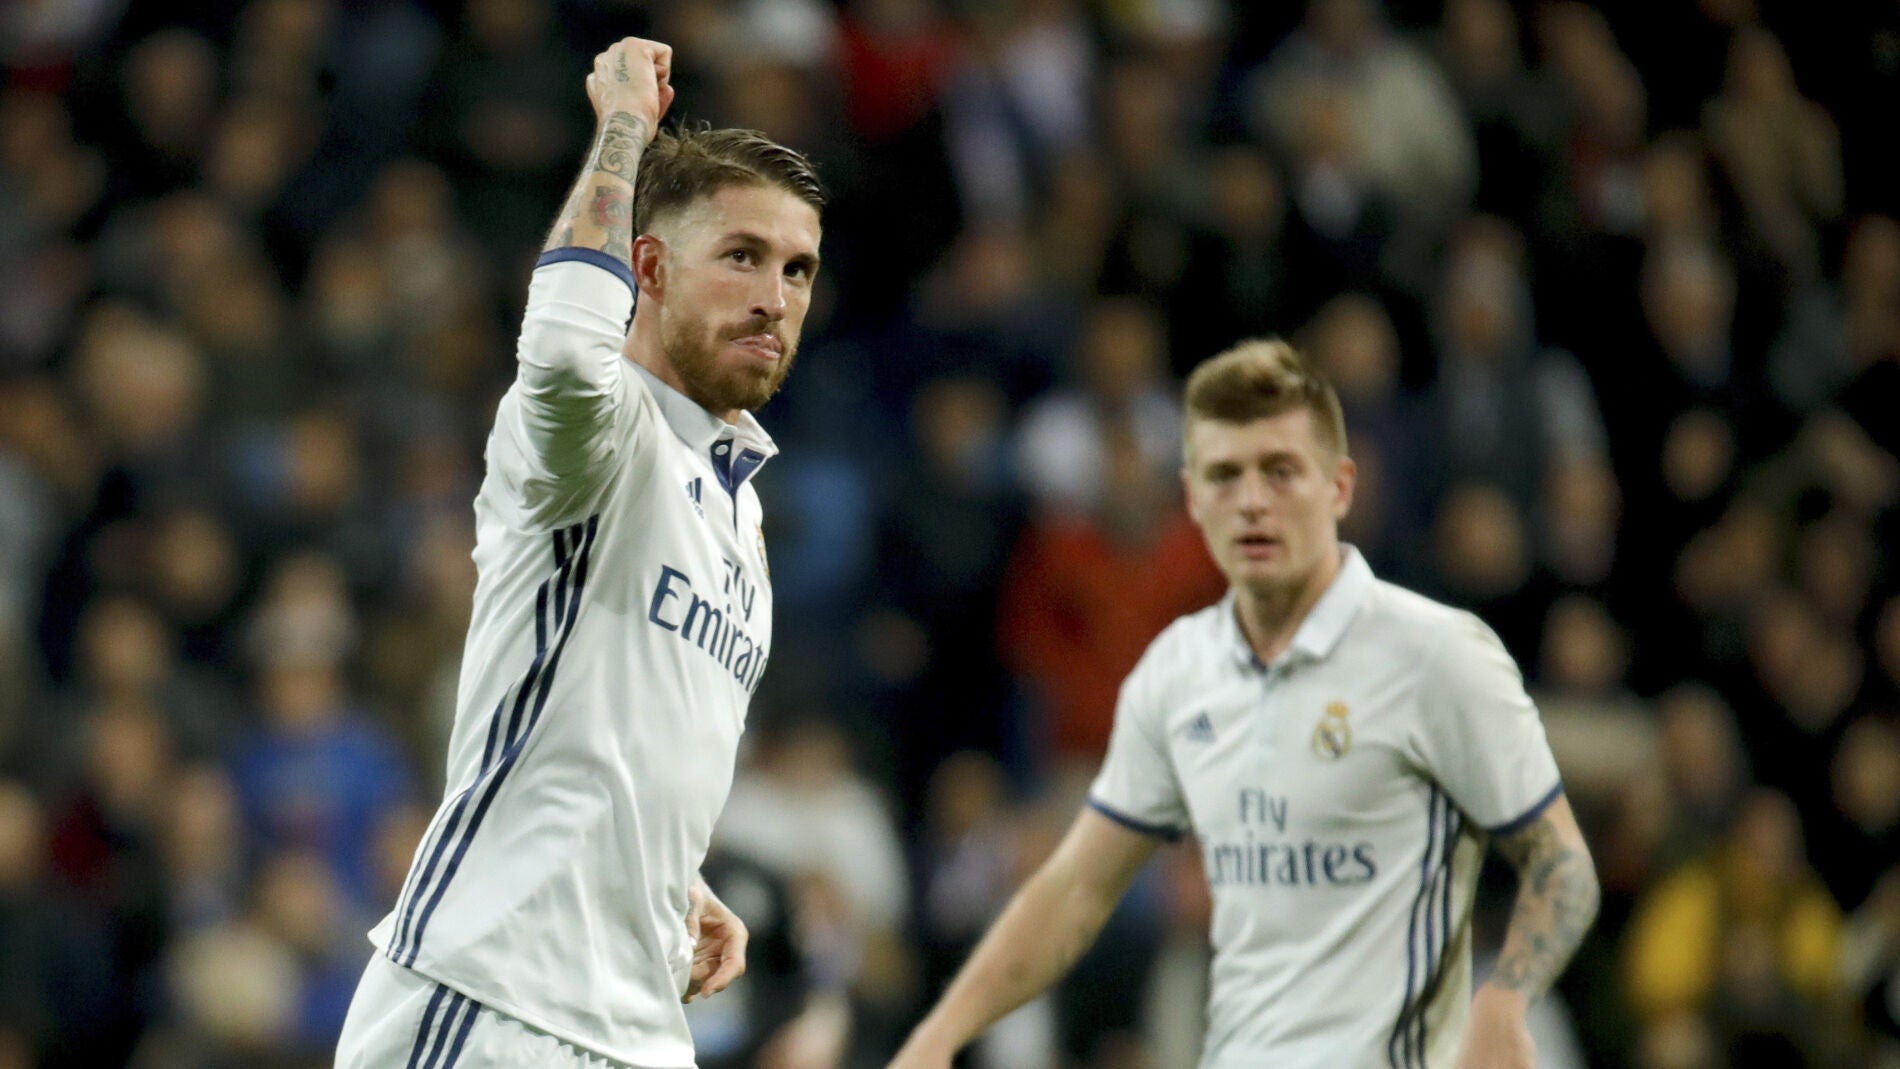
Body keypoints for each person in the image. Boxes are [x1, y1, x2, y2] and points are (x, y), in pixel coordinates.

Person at [889, 340, 1601, 1069]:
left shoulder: (1439, 653)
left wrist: (1508, 996)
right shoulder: (1176, 669)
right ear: (1193, 499)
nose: (1253, 502)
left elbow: (1563, 861)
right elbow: (1074, 887)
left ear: (1340, 488)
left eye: (1281, 471)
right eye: (1227, 476)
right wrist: (941, 1034)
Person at [334, 36, 827, 1068]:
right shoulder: (596, 438)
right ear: (645, 266)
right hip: (490, 1000)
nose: (774, 297)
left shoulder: (738, 506)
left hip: (638, 1025)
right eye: (740, 256)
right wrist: (623, 131)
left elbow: (609, 734)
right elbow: (562, 347)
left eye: (796, 269)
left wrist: (667, 880)